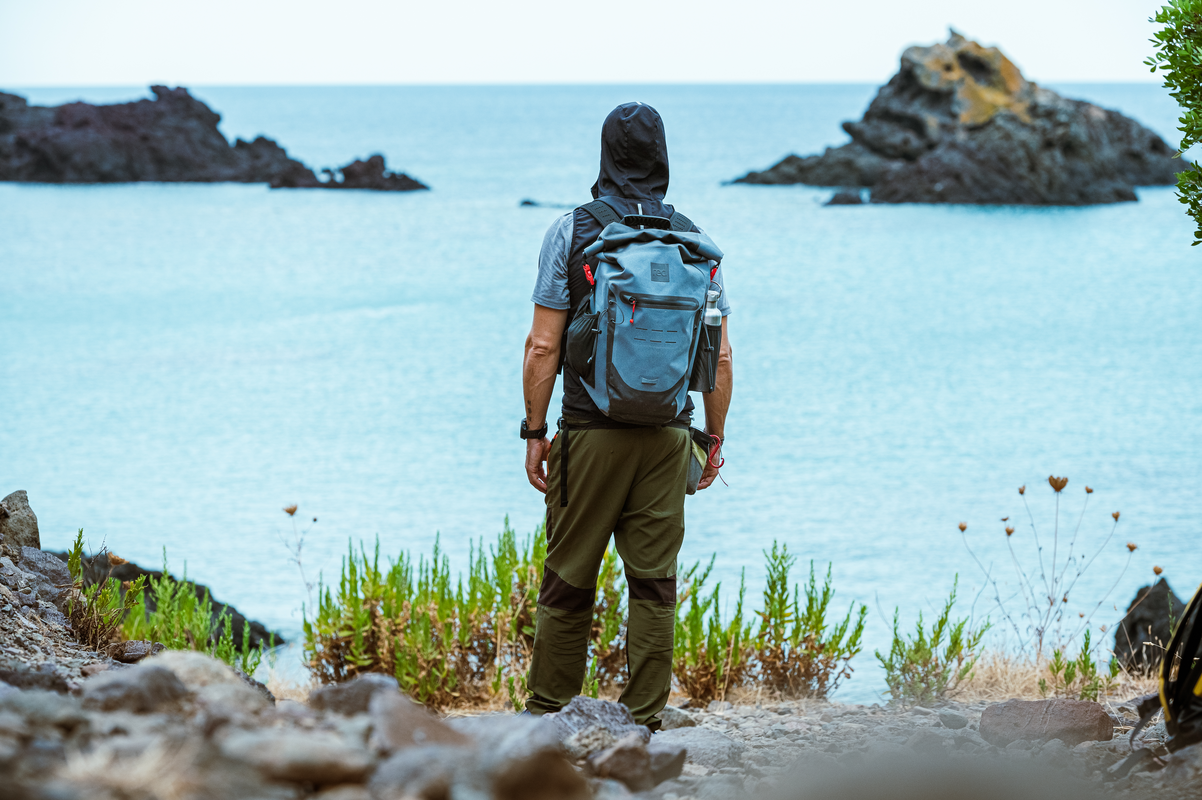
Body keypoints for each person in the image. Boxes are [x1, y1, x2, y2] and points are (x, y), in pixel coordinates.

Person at [519, 102, 733, 728]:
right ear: (663, 156)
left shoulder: (574, 231)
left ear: (605, 155)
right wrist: (711, 439)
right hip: (669, 435)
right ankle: (643, 720)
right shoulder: (694, 240)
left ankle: (547, 714)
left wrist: (535, 433)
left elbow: (542, 346)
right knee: (654, 583)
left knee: (568, 578)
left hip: (589, 432)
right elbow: (718, 355)